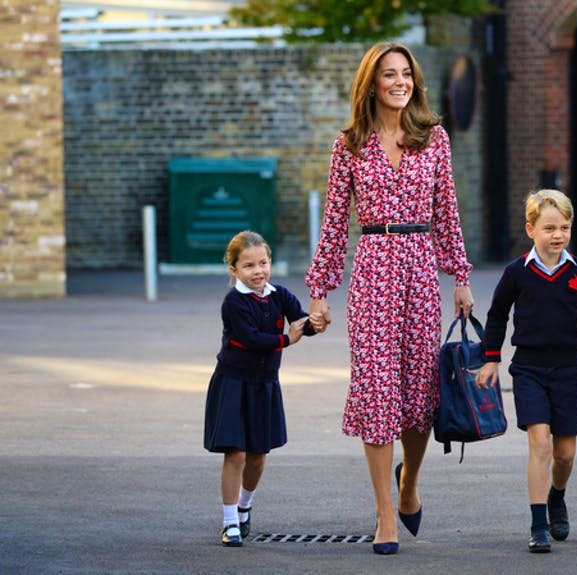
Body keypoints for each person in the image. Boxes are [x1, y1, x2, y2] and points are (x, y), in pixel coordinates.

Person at [304, 41, 475, 556]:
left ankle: (409, 482)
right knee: (378, 392)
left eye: (406, 74)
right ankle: (384, 514)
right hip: (373, 270)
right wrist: (319, 291)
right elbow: (335, 224)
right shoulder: (349, 145)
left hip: (420, 269)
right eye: (389, 75)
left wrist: (460, 275)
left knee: (419, 396)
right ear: (371, 84)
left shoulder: (434, 138)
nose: (400, 82)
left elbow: (447, 211)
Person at [476, 189, 577, 553]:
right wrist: (491, 358)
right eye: (549, 228)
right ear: (531, 229)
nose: (558, 235)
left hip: (568, 370)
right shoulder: (516, 272)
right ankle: (538, 523)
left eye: (564, 228)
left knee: (565, 454)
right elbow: (497, 315)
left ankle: (557, 495)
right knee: (540, 443)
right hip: (528, 369)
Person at [203, 230, 316, 547]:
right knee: (235, 453)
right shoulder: (233, 302)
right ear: (234, 269)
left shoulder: (279, 295)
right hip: (233, 383)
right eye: (249, 265)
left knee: (257, 456)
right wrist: (287, 339)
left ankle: (244, 507)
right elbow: (251, 339)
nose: (258, 271)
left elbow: (301, 320)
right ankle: (229, 522)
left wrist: (315, 323)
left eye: (263, 263)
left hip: (264, 385)